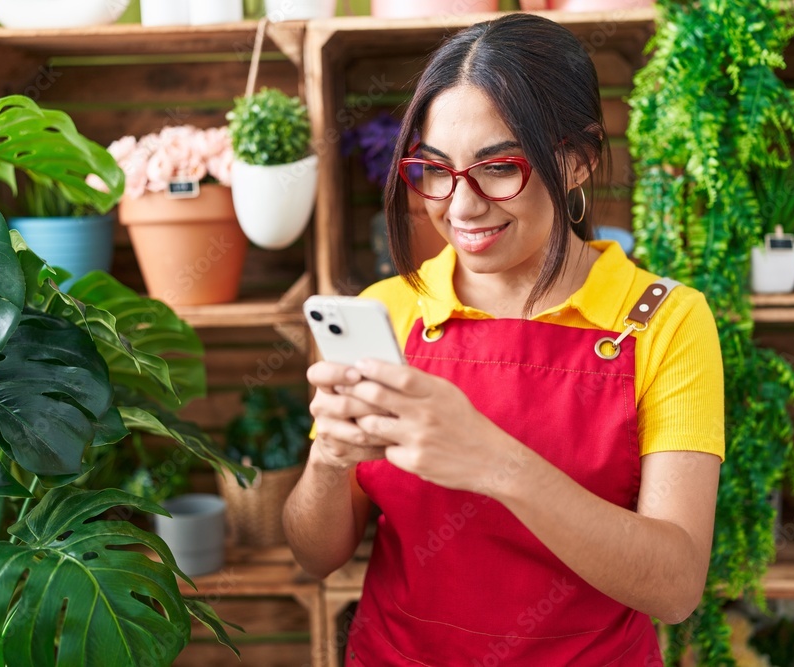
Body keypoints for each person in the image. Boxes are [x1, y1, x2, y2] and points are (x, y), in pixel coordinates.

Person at [283, 13, 724, 666]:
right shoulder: (389, 311)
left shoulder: (664, 322)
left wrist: (494, 460)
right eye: (435, 170)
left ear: (577, 161)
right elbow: (315, 555)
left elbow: (676, 586)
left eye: (498, 167)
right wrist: (328, 462)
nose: (460, 207)